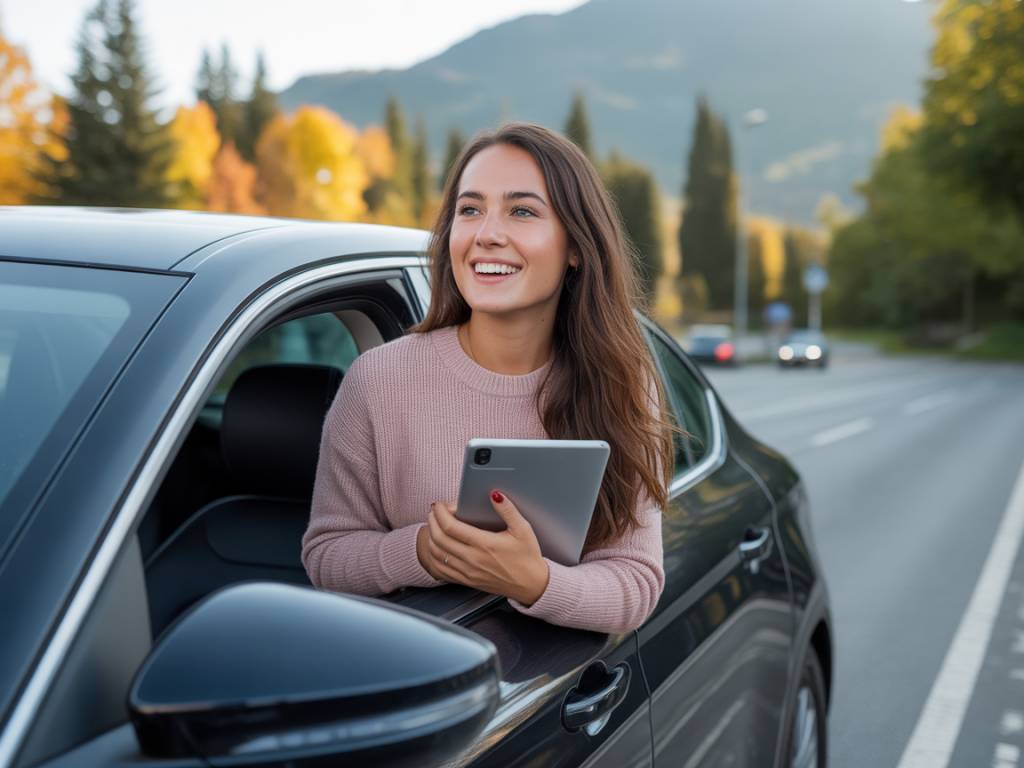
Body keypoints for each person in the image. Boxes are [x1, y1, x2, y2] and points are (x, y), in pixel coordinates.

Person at [302, 122, 674, 634]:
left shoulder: (620, 384)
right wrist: (423, 552)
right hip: (416, 681)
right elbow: (327, 556)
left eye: (521, 211)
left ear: (576, 247)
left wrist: (534, 580)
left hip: (552, 696)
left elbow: (634, 585)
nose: (487, 234)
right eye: (470, 210)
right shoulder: (378, 380)